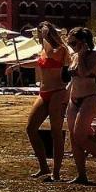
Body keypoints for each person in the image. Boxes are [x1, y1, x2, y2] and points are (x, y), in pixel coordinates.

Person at [24, 22, 69, 182]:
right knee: (31, 128)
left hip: (57, 91)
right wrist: (18, 66)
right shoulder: (43, 49)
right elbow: (39, 62)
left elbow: (50, 55)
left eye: (42, 32)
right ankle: (43, 165)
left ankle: (56, 171)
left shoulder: (59, 49)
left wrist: (45, 37)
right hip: (44, 92)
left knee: (56, 132)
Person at [65, 27, 96, 184]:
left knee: (80, 135)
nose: (71, 45)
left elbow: (84, 73)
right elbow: (73, 79)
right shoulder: (74, 55)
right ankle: (81, 174)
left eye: (73, 42)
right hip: (74, 99)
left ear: (83, 42)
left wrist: (82, 54)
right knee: (73, 136)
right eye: (69, 42)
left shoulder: (93, 56)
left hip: (89, 98)